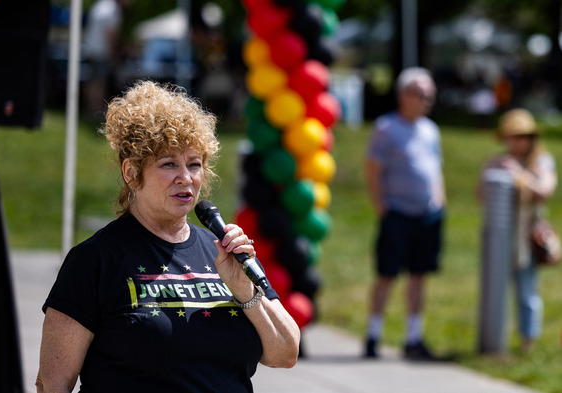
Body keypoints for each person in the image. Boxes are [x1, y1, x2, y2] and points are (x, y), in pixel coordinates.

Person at [36, 80, 301, 392]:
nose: (185, 177)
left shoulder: (224, 251)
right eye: (168, 164)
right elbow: (53, 383)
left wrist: (245, 291)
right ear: (131, 173)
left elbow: (285, 353)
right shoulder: (95, 261)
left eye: (194, 163)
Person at [363, 67, 446, 360]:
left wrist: (439, 200)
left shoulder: (430, 130)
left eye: (430, 95)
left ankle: (414, 337)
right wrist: (383, 208)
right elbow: (373, 171)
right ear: (404, 95)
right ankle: (373, 335)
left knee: (419, 276)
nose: (427, 100)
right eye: (422, 94)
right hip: (397, 213)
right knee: (387, 274)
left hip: (427, 215)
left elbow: (435, 170)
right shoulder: (387, 128)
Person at [477, 108, 557, 353]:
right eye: (512, 136)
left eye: (521, 136)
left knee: (527, 291)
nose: (516, 141)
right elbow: (480, 195)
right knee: (496, 289)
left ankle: (527, 343)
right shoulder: (499, 160)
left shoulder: (541, 161)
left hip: (527, 236)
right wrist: (493, 172)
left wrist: (519, 175)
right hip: (502, 235)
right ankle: (495, 339)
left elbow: (545, 190)